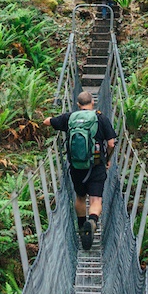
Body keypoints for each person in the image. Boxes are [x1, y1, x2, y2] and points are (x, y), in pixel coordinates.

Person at [49, 87, 116, 248]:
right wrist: (108, 159)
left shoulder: (70, 117)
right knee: (95, 199)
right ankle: (92, 221)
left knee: (80, 197)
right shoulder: (101, 118)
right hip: (97, 164)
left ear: (78, 104)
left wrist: (49, 119)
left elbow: (48, 122)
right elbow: (111, 143)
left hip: (76, 166)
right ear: (92, 102)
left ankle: (81, 227)